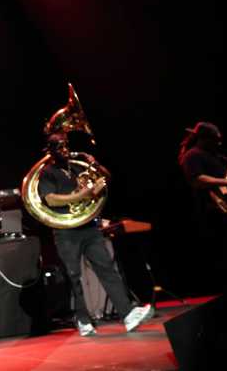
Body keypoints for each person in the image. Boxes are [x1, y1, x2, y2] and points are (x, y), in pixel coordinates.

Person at [37, 133, 153, 336]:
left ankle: (128, 315)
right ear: (51, 151)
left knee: (107, 268)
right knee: (74, 276)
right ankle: (83, 320)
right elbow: (51, 200)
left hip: (89, 227)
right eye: (59, 147)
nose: (64, 150)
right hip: (66, 232)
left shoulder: (75, 167)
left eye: (66, 146)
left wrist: (95, 165)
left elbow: (106, 177)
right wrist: (84, 194)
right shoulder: (47, 172)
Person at [178, 122, 227, 294]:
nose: (219, 143)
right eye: (215, 140)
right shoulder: (193, 155)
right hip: (213, 212)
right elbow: (197, 179)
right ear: (204, 139)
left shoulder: (218, 158)